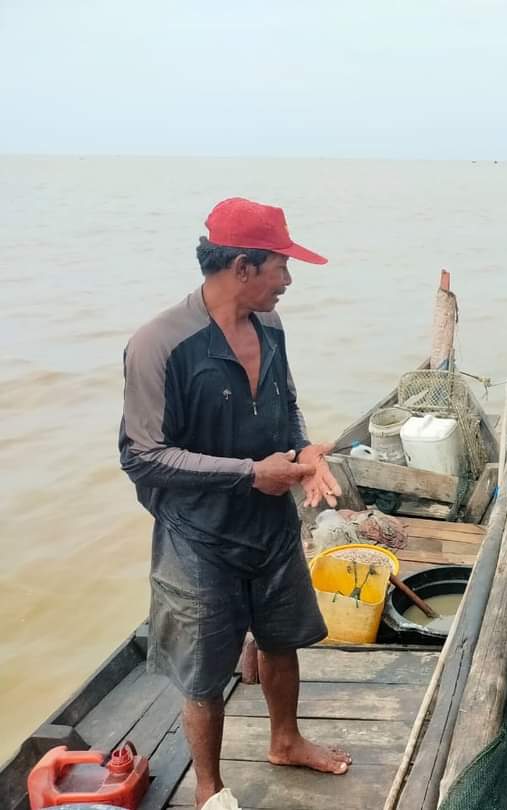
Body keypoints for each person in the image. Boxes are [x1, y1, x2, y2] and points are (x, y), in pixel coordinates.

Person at [119, 198, 349, 808]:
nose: (289, 281)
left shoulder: (271, 328)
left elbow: (287, 406)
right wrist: (250, 473)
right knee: (203, 668)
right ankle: (208, 788)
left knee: (282, 639)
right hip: (198, 535)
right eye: (281, 266)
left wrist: (305, 453)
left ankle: (286, 740)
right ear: (243, 267)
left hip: (270, 524)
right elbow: (141, 456)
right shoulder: (158, 344)